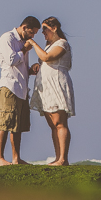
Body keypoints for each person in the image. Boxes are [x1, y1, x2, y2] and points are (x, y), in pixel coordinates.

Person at [28, 17, 75, 166]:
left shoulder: (62, 43)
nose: (43, 33)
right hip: (46, 87)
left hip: (57, 84)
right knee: (53, 124)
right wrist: (37, 65)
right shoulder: (49, 45)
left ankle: (63, 158)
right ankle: (57, 157)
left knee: (60, 122)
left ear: (54, 28)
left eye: (45, 29)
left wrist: (33, 44)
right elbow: (44, 60)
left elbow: (47, 57)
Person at [0, 16, 41, 166]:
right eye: (32, 32)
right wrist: (24, 49)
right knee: (5, 122)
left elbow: (20, 68)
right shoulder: (7, 38)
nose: (33, 36)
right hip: (9, 86)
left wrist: (31, 70)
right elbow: (11, 60)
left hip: (21, 88)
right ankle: (0, 158)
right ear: (24, 27)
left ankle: (16, 158)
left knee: (18, 126)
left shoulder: (23, 43)